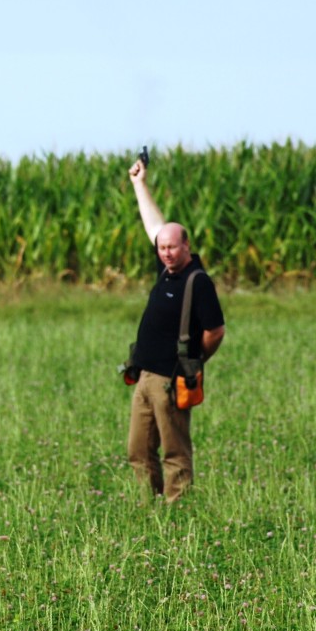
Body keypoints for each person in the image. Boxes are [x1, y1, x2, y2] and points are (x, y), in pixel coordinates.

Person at [125, 157, 226, 504]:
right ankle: (146, 508)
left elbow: (216, 330)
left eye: (172, 247)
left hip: (171, 379)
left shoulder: (197, 282)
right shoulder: (166, 270)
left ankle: (177, 514)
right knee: (138, 451)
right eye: (162, 247)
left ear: (187, 247)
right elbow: (153, 224)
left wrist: (193, 363)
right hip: (144, 377)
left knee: (175, 453)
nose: (166, 252)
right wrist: (140, 183)